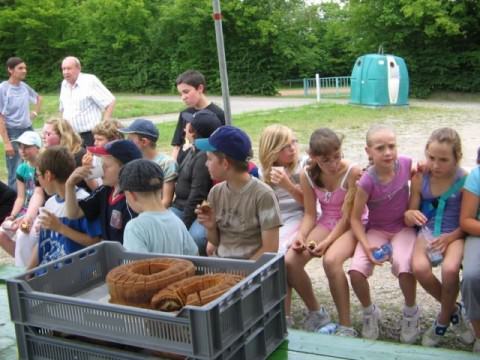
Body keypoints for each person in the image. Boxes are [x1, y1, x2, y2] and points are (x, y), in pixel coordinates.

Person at [284, 128, 363, 335]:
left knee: (331, 261)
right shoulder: (307, 175)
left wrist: (327, 242)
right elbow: (310, 214)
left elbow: (348, 217)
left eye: (337, 156)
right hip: (327, 220)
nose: (334, 164)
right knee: (290, 261)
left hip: (352, 223)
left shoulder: (352, 172)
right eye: (326, 160)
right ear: (313, 157)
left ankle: (346, 326)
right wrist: (300, 236)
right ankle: (317, 312)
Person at [349, 124, 419, 344]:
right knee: (356, 272)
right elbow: (354, 218)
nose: (388, 152)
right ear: (368, 151)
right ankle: (369, 311)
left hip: (402, 228)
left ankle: (410, 312)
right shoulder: (367, 181)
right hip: (377, 229)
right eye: (380, 148)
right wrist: (365, 243)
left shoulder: (407, 164)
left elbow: (422, 171)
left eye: (392, 146)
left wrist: (424, 165)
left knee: (404, 266)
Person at [407, 127, 474, 347]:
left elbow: (467, 220)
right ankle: (454, 309)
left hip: (454, 233)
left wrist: (451, 237)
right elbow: (411, 211)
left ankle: (442, 320)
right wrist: (409, 214)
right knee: (419, 269)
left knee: (450, 269)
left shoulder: (465, 179)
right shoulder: (420, 176)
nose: (436, 165)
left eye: (443, 160)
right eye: (431, 158)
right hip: (426, 233)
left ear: (457, 158)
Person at [195, 125, 282, 260]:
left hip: (251, 271)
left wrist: (241, 273)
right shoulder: (215, 192)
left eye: (209, 159)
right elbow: (217, 243)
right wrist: (211, 227)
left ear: (225, 163)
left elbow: (270, 249)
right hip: (223, 265)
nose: (206, 164)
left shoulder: (263, 195)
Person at [27, 146, 101, 269]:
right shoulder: (49, 203)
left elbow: (95, 241)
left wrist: (60, 228)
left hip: (73, 274)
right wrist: (28, 271)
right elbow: (42, 243)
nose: (38, 180)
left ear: (48, 175)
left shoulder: (83, 201)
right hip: (49, 271)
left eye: (38, 175)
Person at [65, 140, 142, 243]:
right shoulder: (105, 190)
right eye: (101, 164)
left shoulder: (132, 201)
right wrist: (69, 185)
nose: (101, 169)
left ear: (125, 169)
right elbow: (74, 213)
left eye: (106, 166)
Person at [119, 159, 198, 255]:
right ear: (161, 189)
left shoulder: (134, 228)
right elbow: (194, 254)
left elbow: (135, 266)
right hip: (179, 269)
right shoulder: (176, 221)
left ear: (131, 195)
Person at [171, 110, 222, 255]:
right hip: (179, 206)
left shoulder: (201, 158)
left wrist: (184, 225)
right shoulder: (190, 150)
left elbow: (197, 196)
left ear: (192, 132)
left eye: (187, 125)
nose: (183, 128)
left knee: (196, 238)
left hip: (194, 210)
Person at [258, 124, 304, 254]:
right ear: (272, 150)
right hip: (276, 217)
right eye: (285, 146)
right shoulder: (264, 171)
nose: (292, 148)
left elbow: (310, 206)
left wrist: (288, 186)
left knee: (278, 249)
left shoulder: (303, 166)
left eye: (294, 142)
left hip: (298, 214)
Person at [0, 131, 42, 264]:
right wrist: (12, 215)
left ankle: (28, 266)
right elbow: (20, 197)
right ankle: (25, 263)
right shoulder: (21, 169)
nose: (22, 151)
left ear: (37, 147)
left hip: (39, 211)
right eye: (20, 147)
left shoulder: (43, 167)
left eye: (27, 147)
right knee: (1, 233)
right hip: (25, 209)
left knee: (22, 232)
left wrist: (27, 217)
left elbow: (42, 196)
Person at [0, 57, 42, 189]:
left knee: (34, 163)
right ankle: (14, 201)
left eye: (25, 68)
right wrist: (7, 143)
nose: (24, 71)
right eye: (20, 68)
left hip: (28, 129)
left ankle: (33, 195)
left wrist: (34, 113)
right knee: (15, 169)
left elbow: (38, 98)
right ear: (10, 70)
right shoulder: (3, 89)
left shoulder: (24, 87)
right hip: (13, 132)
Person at [119, 118, 177, 208]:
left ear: (144, 142)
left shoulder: (167, 163)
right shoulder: (132, 161)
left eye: (130, 139)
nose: (127, 142)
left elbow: (166, 201)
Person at [59, 56, 115, 146]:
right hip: (70, 136)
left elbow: (110, 101)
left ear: (78, 68)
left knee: (91, 160)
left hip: (90, 135)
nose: (65, 72)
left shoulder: (89, 81)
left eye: (69, 68)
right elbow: (62, 109)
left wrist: (103, 127)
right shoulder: (64, 84)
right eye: (63, 69)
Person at [171, 70, 225, 161]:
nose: (183, 97)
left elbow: (223, 147)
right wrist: (173, 166)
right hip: (184, 166)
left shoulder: (218, 114)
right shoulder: (185, 113)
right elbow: (177, 145)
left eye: (186, 92)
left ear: (200, 88)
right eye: (180, 94)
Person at [460, 148, 480, 353]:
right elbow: (466, 220)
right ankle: (479, 333)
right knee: (472, 276)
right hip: (478, 232)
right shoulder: (477, 176)